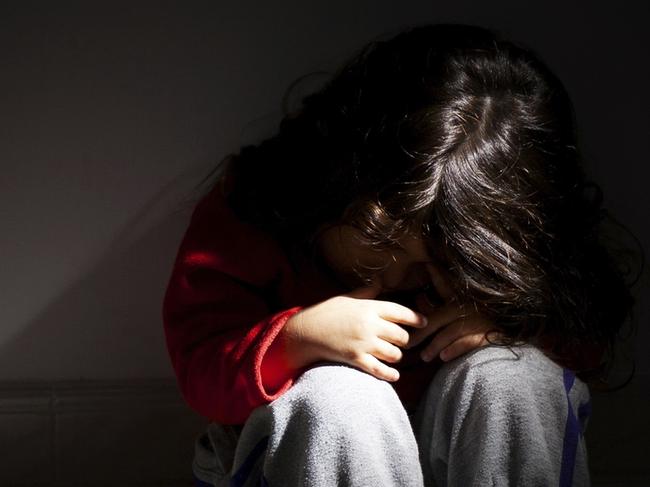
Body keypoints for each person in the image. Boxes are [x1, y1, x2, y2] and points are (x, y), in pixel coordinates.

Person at [162, 23, 636, 486]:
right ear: (335, 181)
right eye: (383, 244)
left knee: (514, 376)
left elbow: (586, 342)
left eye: (439, 270)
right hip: (303, 454)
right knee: (338, 397)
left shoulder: (502, 271)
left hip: (451, 451)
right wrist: (296, 338)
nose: (395, 279)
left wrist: (511, 324)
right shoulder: (253, 210)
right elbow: (201, 370)